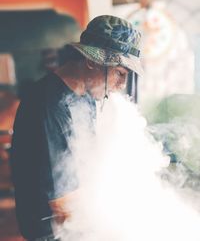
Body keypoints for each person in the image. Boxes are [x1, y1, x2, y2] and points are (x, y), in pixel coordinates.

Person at [10, 15, 142, 241]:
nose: (121, 86)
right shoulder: (47, 106)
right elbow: (63, 205)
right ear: (92, 61)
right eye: (119, 73)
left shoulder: (86, 96)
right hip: (54, 233)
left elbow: (85, 163)